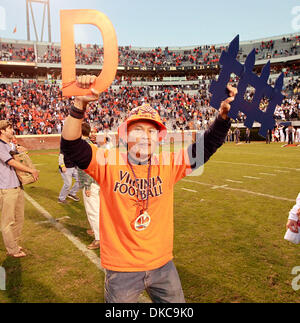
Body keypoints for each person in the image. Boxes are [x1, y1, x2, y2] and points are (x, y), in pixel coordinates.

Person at [60, 75, 237, 303]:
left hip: (163, 265)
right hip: (121, 269)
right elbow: (71, 146)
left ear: (159, 138)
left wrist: (222, 118)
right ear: (125, 135)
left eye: (151, 131)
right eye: (138, 130)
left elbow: (207, 145)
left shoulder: (168, 164)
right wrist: (79, 105)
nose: (145, 136)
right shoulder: (108, 161)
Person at [0, 120, 39, 258]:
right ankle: (12, 249)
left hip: (17, 186)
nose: (12, 130)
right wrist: (31, 170)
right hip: (7, 187)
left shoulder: (9, 145)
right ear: (2, 131)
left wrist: (21, 150)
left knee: (19, 218)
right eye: (9, 128)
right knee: (7, 221)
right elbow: (11, 162)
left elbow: (16, 154)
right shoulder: (0, 145)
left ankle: (14, 243)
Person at [78, 122, 100, 250]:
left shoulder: (84, 146)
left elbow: (87, 168)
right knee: (97, 210)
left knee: (93, 211)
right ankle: (97, 231)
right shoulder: (90, 144)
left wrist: (87, 186)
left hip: (91, 183)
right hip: (95, 182)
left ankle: (99, 238)